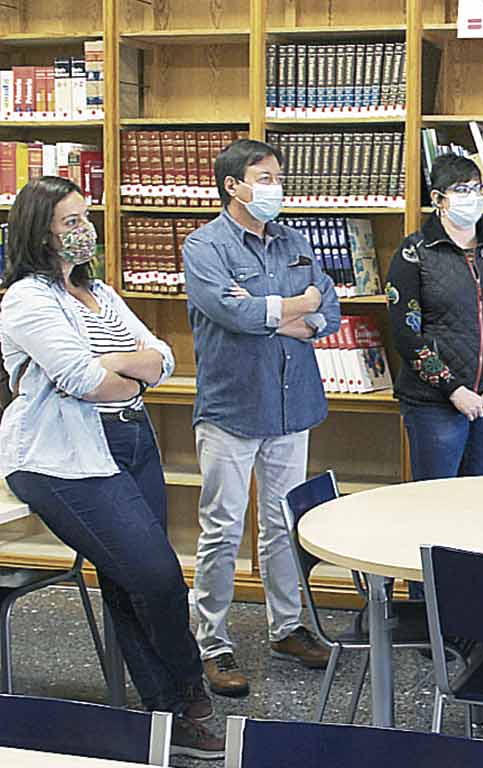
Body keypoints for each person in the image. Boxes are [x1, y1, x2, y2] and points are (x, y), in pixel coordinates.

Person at [0, 176, 223, 758]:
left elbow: (165, 357)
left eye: (85, 216)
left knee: (128, 580)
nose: (84, 230)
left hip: (130, 440)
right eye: (70, 222)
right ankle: (191, 691)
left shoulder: (100, 293)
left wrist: (116, 364)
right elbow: (85, 382)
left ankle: (167, 717)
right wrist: (123, 369)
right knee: (155, 576)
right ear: (40, 234)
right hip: (63, 457)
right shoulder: (28, 299)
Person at [183, 139, 340, 696]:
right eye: (265, 177)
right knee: (222, 527)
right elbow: (229, 311)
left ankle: (288, 625)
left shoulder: (295, 242)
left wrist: (293, 316)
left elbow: (332, 308)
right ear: (234, 185)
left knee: (282, 524)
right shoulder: (205, 246)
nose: (276, 186)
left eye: (277, 176)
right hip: (232, 407)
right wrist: (296, 308)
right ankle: (213, 641)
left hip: (291, 403)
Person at [384, 154, 483, 596]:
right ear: (439, 199)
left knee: (480, 508)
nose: (473, 199)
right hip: (436, 405)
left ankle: (473, 605)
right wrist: (453, 389)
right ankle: (426, 608)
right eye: (462, 190)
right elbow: (406, 334)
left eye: (478, 189)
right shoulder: (413, 255)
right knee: (434, 509)